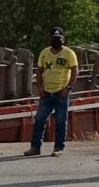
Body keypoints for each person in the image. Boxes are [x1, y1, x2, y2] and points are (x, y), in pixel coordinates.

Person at [24, 27, 77, 157]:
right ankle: (35, 147)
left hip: (61, 92)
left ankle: (58, 148)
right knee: (39, 119)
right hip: (46, 92)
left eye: (59, 38)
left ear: (63, 39)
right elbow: (39, 71)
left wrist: (68, 88)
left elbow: (75, 71)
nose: (57, 40)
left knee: (60, 121)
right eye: (54, 38)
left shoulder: (69, 53)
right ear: (50, 39)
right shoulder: (44, 53)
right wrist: (40, 88)